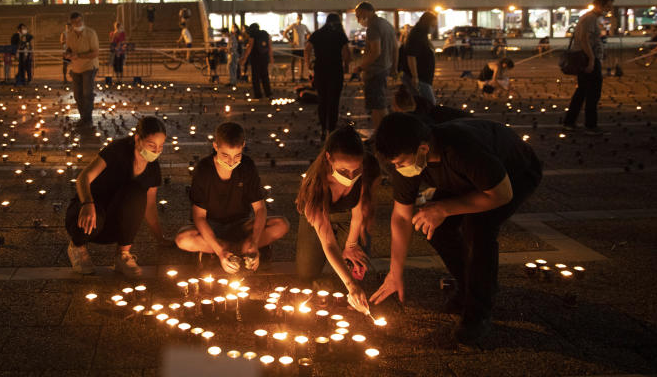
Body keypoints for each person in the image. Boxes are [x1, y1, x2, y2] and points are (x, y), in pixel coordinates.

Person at [370, 114, 543, 344]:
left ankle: (478, 313)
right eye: (394, 164)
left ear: (423, 148)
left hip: (513, 174)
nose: (398, 169)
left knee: (478, 228)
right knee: (432, 225)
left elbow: (502, 194)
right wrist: (395, 272)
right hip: (465, 180)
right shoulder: (405, 162)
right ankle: (468, 284)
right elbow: (401, 217)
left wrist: (445, 208)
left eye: (401, 163)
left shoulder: (462, 150)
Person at [175, 122, 289, 273]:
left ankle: (232, 250)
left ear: (243, 145)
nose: (231, 162)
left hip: (241, 225)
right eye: (225, 155)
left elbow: (260, 209)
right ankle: (233, 250)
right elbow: (199, 217)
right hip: (212, 227)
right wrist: (220, 250)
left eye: (237, 156)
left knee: (282, 224)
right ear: (215, 146)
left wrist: (254, 241)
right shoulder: (204, 169)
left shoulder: (247, 166)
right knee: (182, 239)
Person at [65, 116, 169, 277]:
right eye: (151, 145)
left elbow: (149, 206)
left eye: (161, 146)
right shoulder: (117, 150)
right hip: (88, 213)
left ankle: (123, 255)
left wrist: (160, 238)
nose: (156, 151)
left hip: (114, 225)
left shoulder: (152, 167)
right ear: (137, 139)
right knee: (94, 220)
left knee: (137, 192)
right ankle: (77, 246)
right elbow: (83, 177)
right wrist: (87, 203)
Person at [295, 126, 380, 312]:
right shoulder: (314, 187)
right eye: (343, 171)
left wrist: (351, 245)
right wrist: (352, 286)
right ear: (328, 158)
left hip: (348, 217)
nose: (350, 177)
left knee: (357, 267)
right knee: (306, 274)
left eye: (355, 171)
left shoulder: (368, 167)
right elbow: (329, 244)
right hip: (317, 221)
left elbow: (360, 212)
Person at [562, 0, 614, 135]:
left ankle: (569, 122)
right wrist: (592, 59)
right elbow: (584, 40)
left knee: (582, 91)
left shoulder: (590, 18)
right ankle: (590, 126)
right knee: (593, 93)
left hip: (587, 57)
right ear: (599, 5)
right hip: (587, 58)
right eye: (607, 6)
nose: (609, 10)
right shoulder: (590, 18)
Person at [353, 2, 398, 129]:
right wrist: (394, 67)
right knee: (377, 105)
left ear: (365, 11)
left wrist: (361, 67)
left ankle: (382, 134)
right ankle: (379, 134)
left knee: (379, 106)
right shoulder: (386, 24)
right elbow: (395, 48)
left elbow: (375, 51)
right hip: (385, 68)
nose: (358, 19)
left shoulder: (373, 27)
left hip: (375, 71)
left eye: (359, 15)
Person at [305, 13, 351, 137]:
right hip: (336, 70)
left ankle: (323, 128)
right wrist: (346, 66)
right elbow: (347, 53)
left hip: (320, 70)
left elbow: (307, 48)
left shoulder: (317, 33)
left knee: (322, 100)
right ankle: (331, 128)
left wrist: (308, 63)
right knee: (334, 100)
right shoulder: (340, 34)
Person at [63, 12, 99, 126]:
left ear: (82, 20)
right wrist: (67, 54)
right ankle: (83, 116)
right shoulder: (69, 34)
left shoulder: (91, 33)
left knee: (87, 93)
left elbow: (95, 53)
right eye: (74, 22)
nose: (77, 24)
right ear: (71, 23)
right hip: (76, 68)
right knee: (78, 94)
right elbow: (69, 49)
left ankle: (87, 119)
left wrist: (79, 56)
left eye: (79, 21)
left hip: (89, 66)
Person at [400, 11, 437, 104]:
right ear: (426, 23)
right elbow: (411, 56)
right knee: (429, 103)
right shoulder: (417, 35)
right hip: (419, 77)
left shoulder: (422, 35)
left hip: (422, 77)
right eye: (433, 25)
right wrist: (415, 77)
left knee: (422, 103)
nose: (434, 28)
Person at [392, 85, 469, 124]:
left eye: (394, 105)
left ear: (398, 108)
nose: (392, 109)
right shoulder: (427, 108)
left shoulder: (425, 123)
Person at [241, 22, 273, 99]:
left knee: (255, 77)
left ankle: (258, 94)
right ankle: (268, 93)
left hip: (255, 58)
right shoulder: (265, 33)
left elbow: (250, 47)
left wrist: (244, 58)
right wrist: (271, 57)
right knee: (265, 76)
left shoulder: (253, 35)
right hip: (264, 58)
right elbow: (269, 46)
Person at [284, 13, 311, 82]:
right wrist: (291, 41)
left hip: (302, 46)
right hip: (295, 46)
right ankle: (293, 77)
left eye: (300, 17)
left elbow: (309, 33)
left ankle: (301, 76)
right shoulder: (294, 25)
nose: (299, 19)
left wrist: (306, 40)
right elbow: (285, 32)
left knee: (302, 61)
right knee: (293, 61)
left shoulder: (304, 26)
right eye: (298, 17)